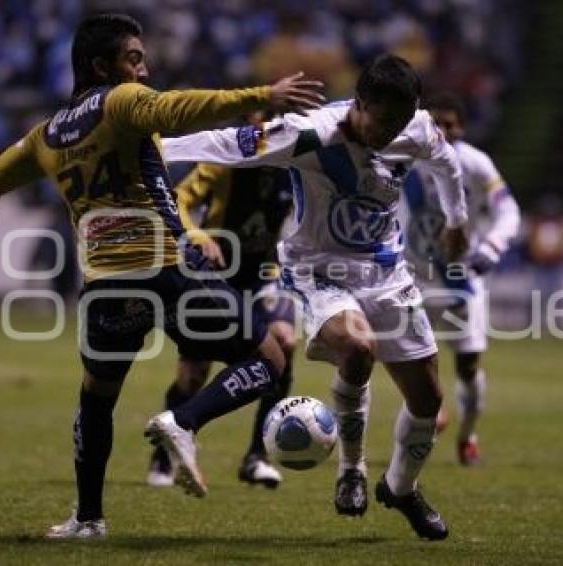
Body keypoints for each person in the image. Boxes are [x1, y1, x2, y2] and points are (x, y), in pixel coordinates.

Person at [0, 13, 325, 540]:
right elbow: (176, 109)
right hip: (165, 268)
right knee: (268, 358)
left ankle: (87, 518)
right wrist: (263, 93)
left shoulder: (46, 135)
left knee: (96, 398)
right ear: (100, 66)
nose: (144, 69)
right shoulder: (121, 101)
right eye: (135, 58)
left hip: (106, 287)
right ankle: (184, 422)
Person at [162, 54, 468, 540]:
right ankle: (352, 470)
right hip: (318, 270)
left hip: (388, 275)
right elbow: (229, 144)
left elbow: (448, 165)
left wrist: (457, 220)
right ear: (361, 104)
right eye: (384, 121)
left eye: (401, 123)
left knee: (428, 399)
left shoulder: (418, 128)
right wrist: (154, 146)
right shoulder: (311, 134)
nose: (391, 134)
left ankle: (402, 489)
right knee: (359, 347)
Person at [148, 137, 297, 489]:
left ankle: (256, 456)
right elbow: (178, 199)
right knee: (193, 375)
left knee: (285, 343)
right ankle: (164, 454)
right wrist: (198, 235)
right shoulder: (225, 163)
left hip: (264, 275)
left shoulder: (297, 167)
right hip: (215, 278)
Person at [399, 92, 521, 466]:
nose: (443, 131)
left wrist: (493, 248)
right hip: (414, 279)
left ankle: (468, 437)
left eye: (450, 124)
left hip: (460, 281)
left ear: (462, 127)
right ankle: (429, 412)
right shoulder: (403, 159)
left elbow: (508, 209)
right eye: (436, 123)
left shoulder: (476, 164)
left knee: (468, 367)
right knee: (405, 360)